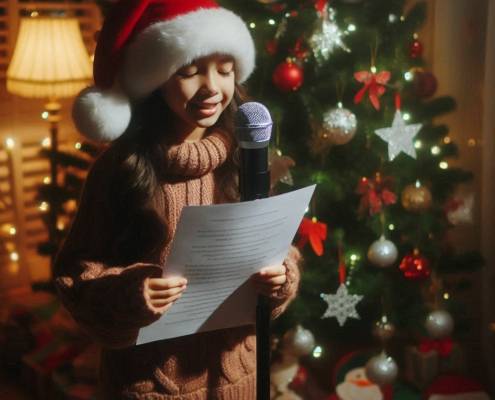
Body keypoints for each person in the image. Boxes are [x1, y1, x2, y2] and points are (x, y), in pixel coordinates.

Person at [53, 0, 302, 398]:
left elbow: (274, 247)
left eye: (225, 70)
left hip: (240, 380)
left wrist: (282, 274)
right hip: (151, 386)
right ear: (155, 79)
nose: (212, 88)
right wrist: (131, 293)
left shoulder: (244, 155)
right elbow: (74, 275)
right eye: (189, 71)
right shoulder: (120, 169)